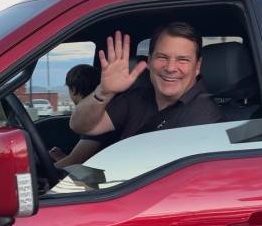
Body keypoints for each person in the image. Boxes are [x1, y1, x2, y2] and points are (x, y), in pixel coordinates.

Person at [70, 21, 222, 141]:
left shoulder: (206, 117)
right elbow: (81, 126)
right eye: (162, 57)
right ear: (149, 61)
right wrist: (104, 92)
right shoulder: (137, 97)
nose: (170, 68)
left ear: (197, 66)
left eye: (183, 60)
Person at [49, 64, 116, 169]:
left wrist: (43, 174)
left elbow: (75, 162)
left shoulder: (93, 117)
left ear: (74, 90)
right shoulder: (104, 111)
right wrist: (61, 157)